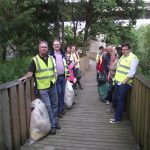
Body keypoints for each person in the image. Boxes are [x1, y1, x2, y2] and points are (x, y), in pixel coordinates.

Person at [18, 41, 61, 135]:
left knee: (55, 104)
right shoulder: (35, 60)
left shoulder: (51, 58)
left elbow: (54, 70)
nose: (44, 48)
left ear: (47, 48)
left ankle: (56, 121)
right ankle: (53, 125)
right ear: (39, 48)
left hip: (52, 84)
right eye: (42, 47)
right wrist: (26, 76)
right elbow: (30, 72)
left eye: (45, 47)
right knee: (48, 107)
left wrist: (55, 78)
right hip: (42, 88)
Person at [110, 43, 139, 123]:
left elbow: (131, 73)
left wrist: (123, 82)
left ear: (129, 49)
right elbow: (118, 68)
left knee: (120, 100)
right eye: (122, 49)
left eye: (125, 49)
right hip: (118, 82)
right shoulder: (122, 57)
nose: (123, 51)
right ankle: (117, 116)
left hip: (125, 83)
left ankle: (117, 119)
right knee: (115, 99)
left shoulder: (133, 58)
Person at [49, 40, 68, 118]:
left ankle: (62, 108)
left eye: (58, 44)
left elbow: (66, 65)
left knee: (62, 93)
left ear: (60, 46)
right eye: (55, 44)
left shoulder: (62, 54)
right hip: (55, 78)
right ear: (53, 46)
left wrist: (67, 75)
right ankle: (58, 111)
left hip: (63, 77)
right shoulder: (50, 55)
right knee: (58, 93)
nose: (57, 45)